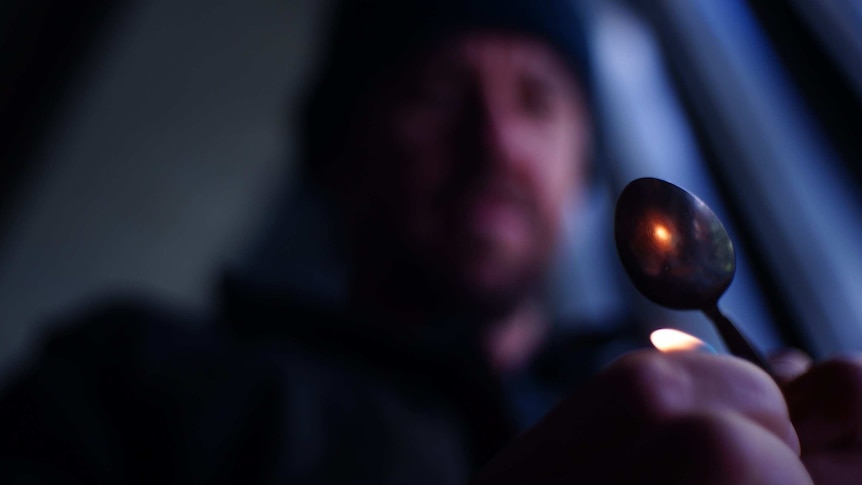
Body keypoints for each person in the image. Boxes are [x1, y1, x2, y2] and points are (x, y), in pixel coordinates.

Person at [1, 0, 861, 483]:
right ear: (338, 150)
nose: (498, 144)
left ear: (576, 169)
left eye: (537, 101)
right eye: (441, 92)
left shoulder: (661, 376)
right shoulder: (133, 379)